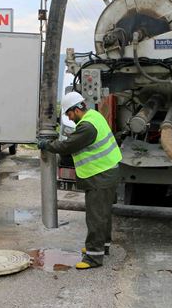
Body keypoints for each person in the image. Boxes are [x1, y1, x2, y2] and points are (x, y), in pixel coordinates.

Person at [38, 92, 122, 269]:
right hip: (107, 172)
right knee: (103, 214)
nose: (68, 117)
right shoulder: (94, 116)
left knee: (95, 217)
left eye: (69, 113)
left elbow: (67, 146)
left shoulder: (87, 127)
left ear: (77, 109)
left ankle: (93, 257)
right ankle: (101, 247)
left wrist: (47, 145)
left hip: (100, 175)